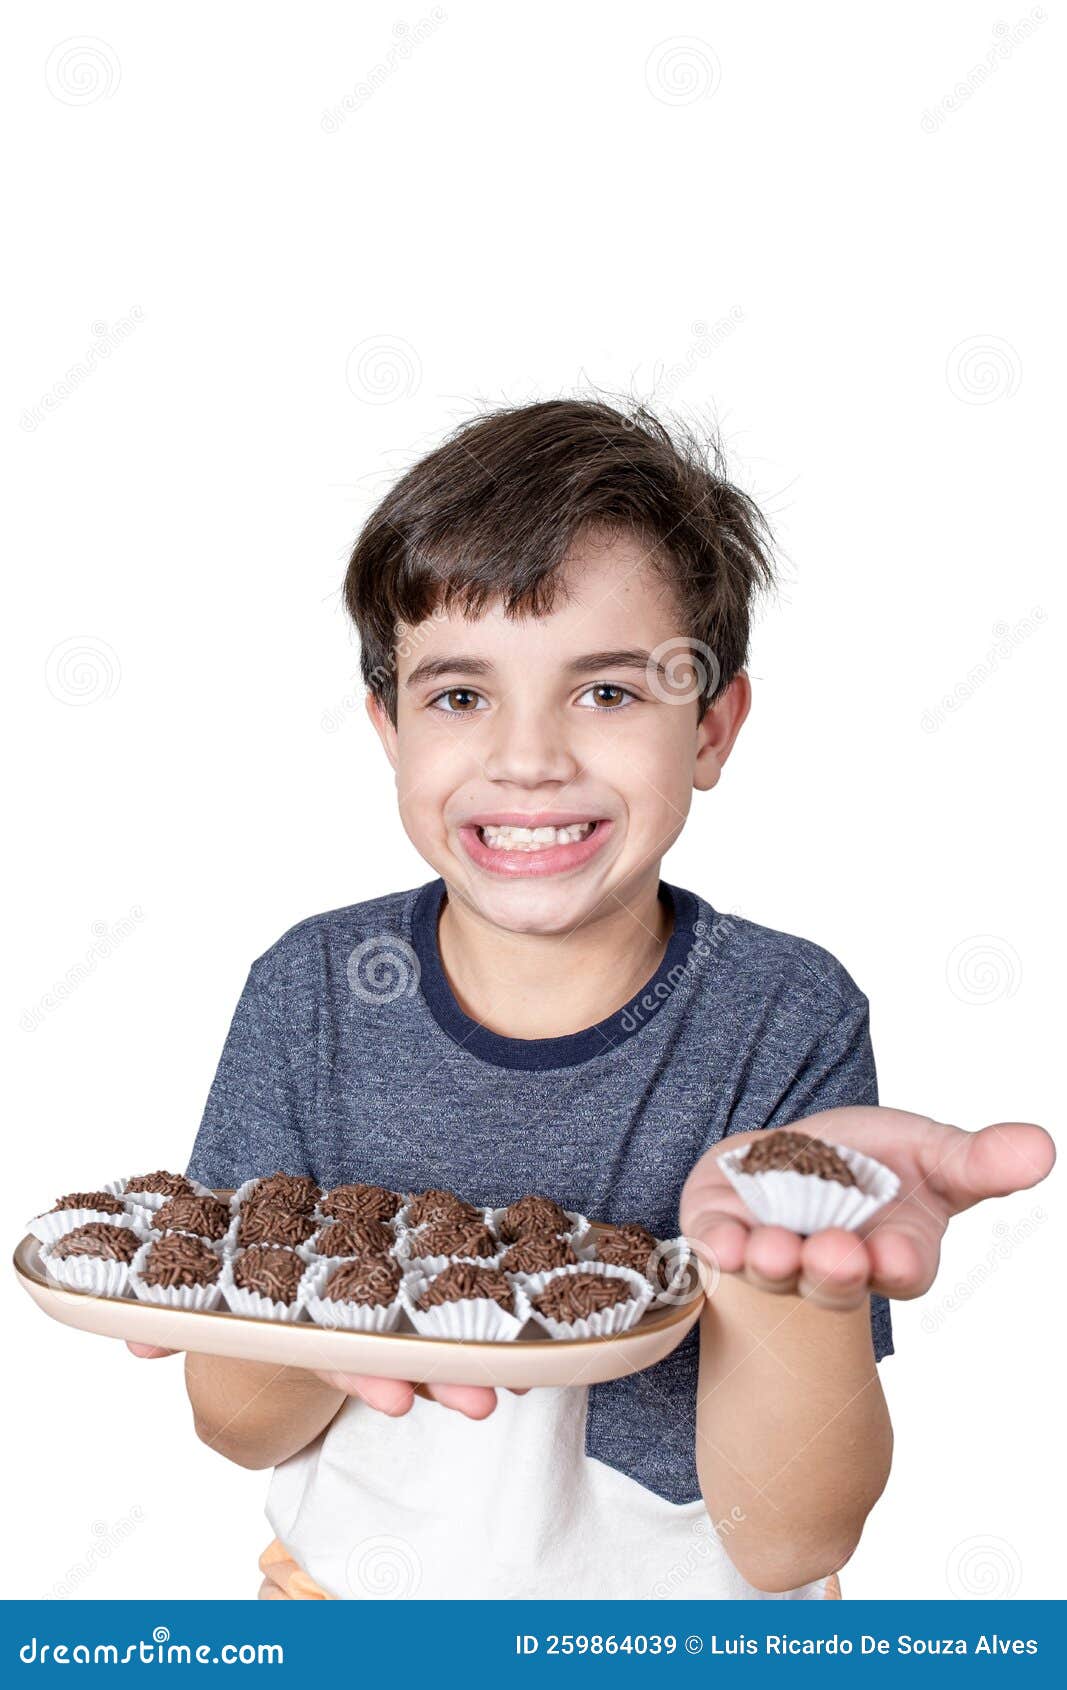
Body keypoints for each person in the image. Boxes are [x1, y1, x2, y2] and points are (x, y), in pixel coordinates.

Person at [132, 399, 1053, 1600]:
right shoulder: (311, 990)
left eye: (607, 693)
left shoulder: (780, 1014)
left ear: (711, 727)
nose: (527, 757)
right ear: (387, 727)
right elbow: (237, 1424)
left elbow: (790, 1540)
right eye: (459, 696)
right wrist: (358, 1310)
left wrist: (782, 1286)